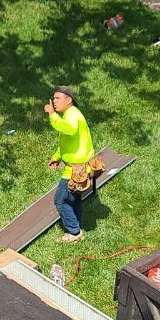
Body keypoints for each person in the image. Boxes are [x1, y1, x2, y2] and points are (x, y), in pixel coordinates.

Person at [44, 86, 95, 243]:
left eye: (58, 98)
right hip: (78, 167)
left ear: (69, 100)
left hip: (75, 169)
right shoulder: (68, 115)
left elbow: (69, 130)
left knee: (61, 199)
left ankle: (74, 232)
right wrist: (57, 157)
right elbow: (67, 141)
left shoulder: (72, 115)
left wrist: (53, 116)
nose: (54, 101)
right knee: (74, 199)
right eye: (53, 98)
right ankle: (77, 225)